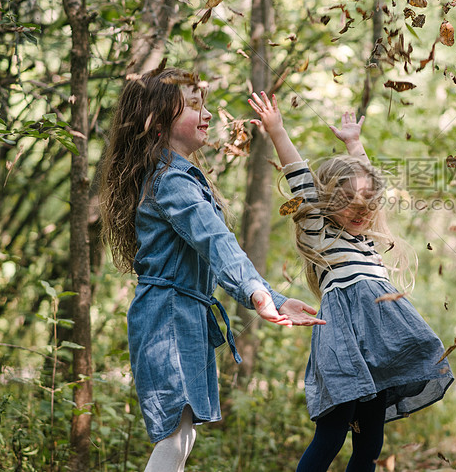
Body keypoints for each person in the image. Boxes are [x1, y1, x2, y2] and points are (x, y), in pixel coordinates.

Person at [98, 65, 324, 472]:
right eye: (194, 106)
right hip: (168, 315)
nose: (207, 115)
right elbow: (216, 243)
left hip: (181, 313)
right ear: (157, 120)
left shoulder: (177, 177)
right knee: (176, 435)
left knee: (182, 434)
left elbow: (217, 247)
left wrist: (273, 296)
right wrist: (257, 294)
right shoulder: (171, 182)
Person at [248, 91, 454, 472]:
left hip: (379, 347)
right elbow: (298, 177)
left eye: (367, 206)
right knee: (331, 436)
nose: (360, 211)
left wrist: (355, 143)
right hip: (343, 343)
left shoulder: (367, 239)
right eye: (348, 203)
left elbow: (367, 184)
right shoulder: (321, 234)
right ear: (326, 200)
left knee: (370, 442)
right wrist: (277, 130)